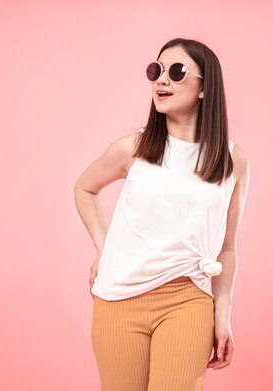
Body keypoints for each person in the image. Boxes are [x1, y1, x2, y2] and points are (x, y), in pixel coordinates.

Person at [73, 37, 250, 391]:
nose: (161, 80)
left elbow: (226, 248)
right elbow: (85, 188)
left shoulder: (232, 161)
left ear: (204, 88)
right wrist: (103, 248)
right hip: (118, 298)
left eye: (176, 71)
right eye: (156, 70)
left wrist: (223, 313)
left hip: (187, 298)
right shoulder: (134, 148)